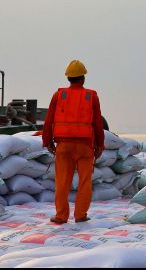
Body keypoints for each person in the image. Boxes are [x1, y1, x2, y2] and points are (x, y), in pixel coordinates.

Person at [42, 60, 105, 224]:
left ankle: (61, 216)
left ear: (68, 78)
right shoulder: (91, 96)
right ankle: (80, 215)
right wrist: (100, 145)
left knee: (62, 182)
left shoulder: (59, 95)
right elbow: (98, 123)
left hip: (64, 146)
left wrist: (47, 141)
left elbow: (48, 121)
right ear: (83, 78)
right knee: (85, 182)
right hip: (85, 147)